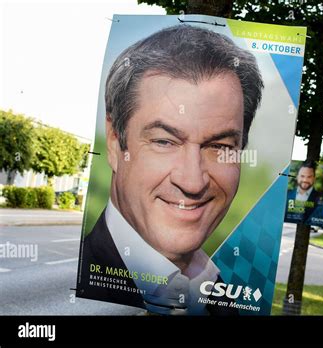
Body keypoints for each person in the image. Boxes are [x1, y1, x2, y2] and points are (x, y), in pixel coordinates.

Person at [76, 24, 264, 315]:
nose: (192, 181)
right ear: (114, 143)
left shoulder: (224, 297)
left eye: (219, 147)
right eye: (164, 141)